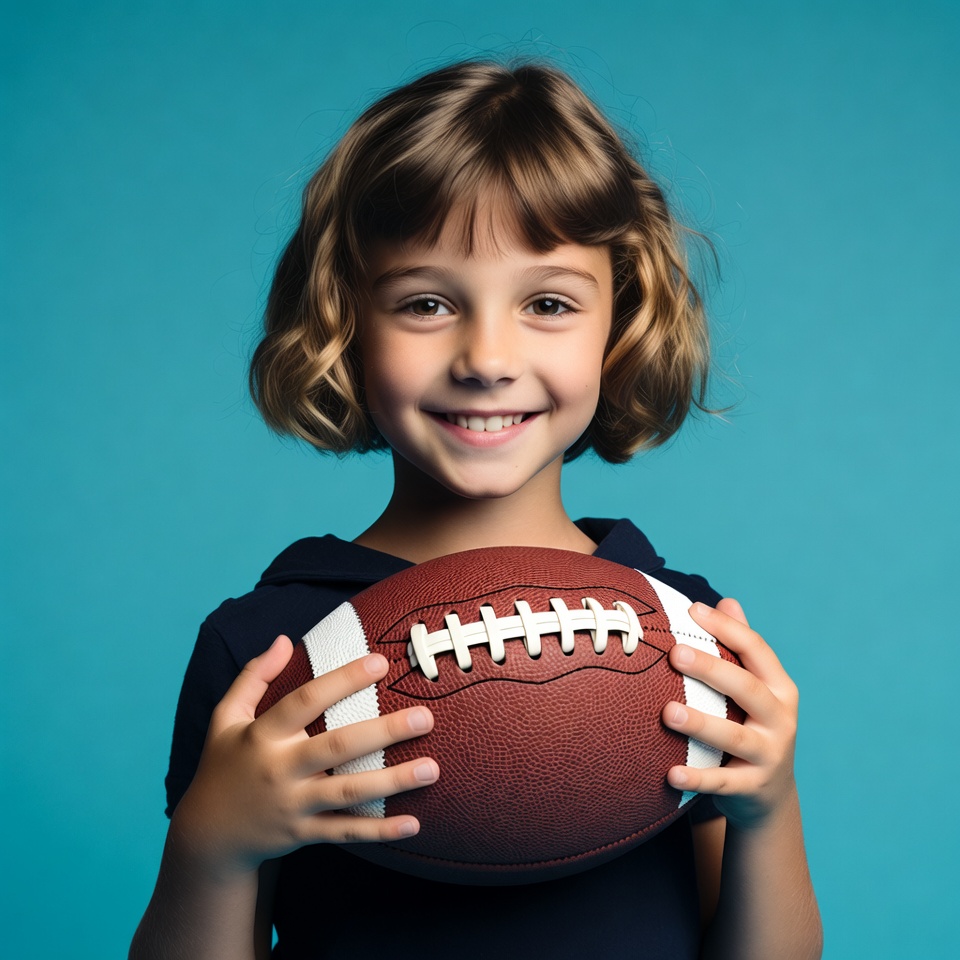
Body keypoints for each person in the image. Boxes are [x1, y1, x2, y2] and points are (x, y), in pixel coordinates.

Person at [130, 60, 822, 959]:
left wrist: (770, 806)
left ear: (621, 319)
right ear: (345, 319)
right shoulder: (270, 651)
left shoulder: (685, 634)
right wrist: (212, 848)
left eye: (547, 303)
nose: (488, 356)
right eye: (425, 302)